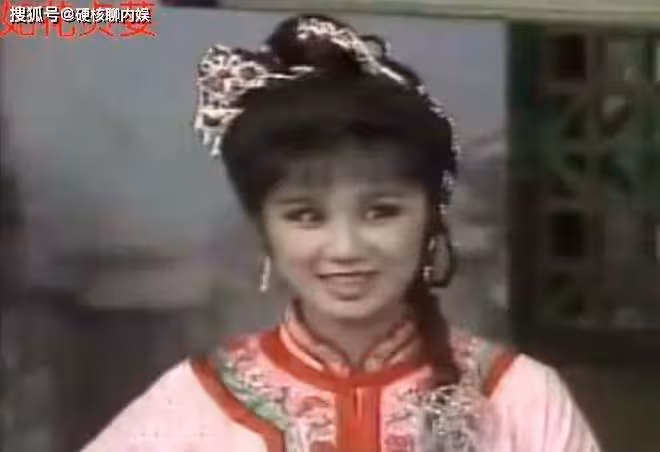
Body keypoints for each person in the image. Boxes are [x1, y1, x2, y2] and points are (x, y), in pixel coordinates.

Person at [82, 14, 601, 452]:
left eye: (381, 211)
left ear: (429, 218)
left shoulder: (520, 396)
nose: (346, 248)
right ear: (264, 230)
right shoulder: (192, 404)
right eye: (306, 216)